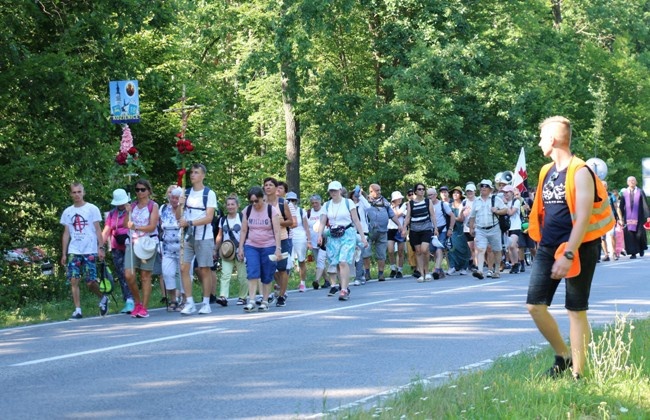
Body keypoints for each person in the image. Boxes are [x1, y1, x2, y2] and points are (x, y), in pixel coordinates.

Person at [527, 116, 615, 380]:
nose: (540, 142)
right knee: (535, 306)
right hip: (548, 246)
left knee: (576, 310)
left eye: (542, 137)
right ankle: (562, 356)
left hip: (580, 247)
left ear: (552, 139)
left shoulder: (581, 171)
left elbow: (584, 217)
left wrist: (568, 254)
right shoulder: (546, 171)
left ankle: (578, 374)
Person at [60, 182, 107, 320]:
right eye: (74, 192)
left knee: (90, 282)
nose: (77, 195)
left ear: (83, 192)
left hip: (90, 248)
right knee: (74, 279)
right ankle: (78, 310)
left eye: (79, 192)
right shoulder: (68, 212)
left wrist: (101, 247)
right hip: (74, 249)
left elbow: (98, 229)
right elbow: (66, 233)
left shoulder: (92, 209)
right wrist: (64, 253)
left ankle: (102, 297)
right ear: (70, 194)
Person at [177, 163, 217, 315]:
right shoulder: (186, 193)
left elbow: (209, 217)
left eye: (196, 172)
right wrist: (178, 206)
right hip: (188, 237)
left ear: (203, 175)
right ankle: (189, 301)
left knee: (204, 269)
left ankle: (206, 302)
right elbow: (179, 217)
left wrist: (190, 222)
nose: (192, 175)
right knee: (183, 268)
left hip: (204, 236)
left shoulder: (209, 194)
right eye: (191, 172)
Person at [317, 181, 368, 300]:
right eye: (331, 191)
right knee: (337, 264)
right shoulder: (327, 205)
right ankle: (343, 285)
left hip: (347, 234)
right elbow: (323, 221)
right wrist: (320, 235)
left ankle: (344, 290)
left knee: (343, 261)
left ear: (340, 190)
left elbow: (356, 220)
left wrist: (362, 237)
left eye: (335, 190)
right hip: (333, 235)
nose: (333, 193)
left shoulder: (348, 202)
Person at [238, 186, 282, 312]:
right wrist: (240, 248)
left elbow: (277, 231)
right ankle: (251, 300)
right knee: (252, 271)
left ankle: (265, 300)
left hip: (268, 245)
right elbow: (244, 230)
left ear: (262, 198)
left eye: (256, 201)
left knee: (267, 274)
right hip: (251, 245)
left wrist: (278, 248)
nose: (254, 204)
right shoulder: (247, 211)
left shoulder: (271, 210)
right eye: (252, 201)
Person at [124, 179, 160, 318]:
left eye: (142, 189)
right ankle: (137, 302)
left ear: (149, 191)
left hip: (147, 243)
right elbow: (124, 224)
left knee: (145, 276)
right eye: (137, 190)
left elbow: (152, 226)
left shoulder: (153, 206)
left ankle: (144, 307)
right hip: (132, 242)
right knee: (129, 274)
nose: (140, 192)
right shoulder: (132, 206)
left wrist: (136, 227)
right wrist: (127, 213)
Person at [358, 183, 406, 281]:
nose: (379, 192)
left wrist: (399, 225)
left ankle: (381, 274)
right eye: (377, 190)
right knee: (366, 253)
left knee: (382, 254)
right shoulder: (364, 201)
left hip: (383, 231)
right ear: (371, 191)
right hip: (369, 232)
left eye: (380, 190)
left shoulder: (385, 201)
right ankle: (367, 273)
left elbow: (392, 215)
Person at [263, 177, 295, 307]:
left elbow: (291, 222)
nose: (268, 187)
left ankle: (281, 296)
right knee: (269, 268)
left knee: (282, 268)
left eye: (271, 185)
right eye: (266, 185)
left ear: (276, 188)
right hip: (266, 240)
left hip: (282, 239)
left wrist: (277, 222)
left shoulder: (282, 203)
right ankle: (274, 292)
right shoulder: (262, 203)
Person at [102, 188, 135, 314]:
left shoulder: (132, 210)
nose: (120, 205)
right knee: (121, 274)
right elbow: (107, 230)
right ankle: (128, 300)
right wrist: (100, 245)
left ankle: (133, 299)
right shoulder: (112, 214)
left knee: (129, 273)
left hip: (130, 244)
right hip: (116, 246)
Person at [468, 179, 507, 279]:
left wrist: (497, 211)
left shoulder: (496, 199)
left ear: (490, 189)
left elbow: (505, 210)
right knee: (480, 249)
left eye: (486, 186)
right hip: (480, 229)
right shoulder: (476, 201)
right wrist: (471, 228)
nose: (483, 188)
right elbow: (472, 216)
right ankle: (480, 271)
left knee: (497, 250)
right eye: (482, 186)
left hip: (494, 228)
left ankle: (497, 270)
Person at [215, 194, 248, 306]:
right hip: (227, 251)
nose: (230, 207)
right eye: (228, 204)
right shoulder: (222, 219)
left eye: (232, 204)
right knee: (225, 275)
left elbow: (246, 233)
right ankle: (223, 296)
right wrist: (215, 250)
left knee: (242, 276)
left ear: (237, 206)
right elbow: (219, 236)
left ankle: (243, 297)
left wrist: (243, 248)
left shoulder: (242, 217)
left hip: (240, 250)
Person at [404, 183, 437, 282]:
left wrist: (436, 228)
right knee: (418, 251)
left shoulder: (428, 202)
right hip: (414, 230)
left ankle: (427, 271)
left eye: (423, 189)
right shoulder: (411, 203)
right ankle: (421, 274)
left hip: (426, 228)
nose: (422, 191)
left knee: (424, 249)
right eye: (419, 189)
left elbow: (432, 215)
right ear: (415, 191)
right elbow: (408, 216)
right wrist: (403, 227)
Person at [159, 185, 183, 311]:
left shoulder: (186, 209)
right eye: (173, 197)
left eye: (177, 198)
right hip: (167, 248)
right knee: (168, 273)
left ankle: (184, 300)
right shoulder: (163, 209)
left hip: (183, 247)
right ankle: (173, 299)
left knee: (185, 273)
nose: (174, 200)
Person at [286, 191, 312, 292]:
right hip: (288, 237)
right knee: (286, 261)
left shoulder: (301, 211)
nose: (291, 202)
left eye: (293, 200)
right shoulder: (284, 211)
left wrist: (309, 240)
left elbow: (306, 227)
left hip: (300, 237)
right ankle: (283, 284)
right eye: (289, 200)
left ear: (296, 201)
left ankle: (302, 283)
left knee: (301, 260)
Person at [427, 187, 455, 279]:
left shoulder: (443, 204)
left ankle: (436, 269)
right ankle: (440, 271)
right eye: (428, 195)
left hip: (442, 230)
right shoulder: (426, 205)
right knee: (434, 251)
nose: (429, 197)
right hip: (430, 231)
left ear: (435, 195)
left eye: (431, 195)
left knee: (439, 249)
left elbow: (452, 216)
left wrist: (450, 229)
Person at [618, 176, 650, 259]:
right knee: (630, 235)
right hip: (628, 218)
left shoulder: (640, 192)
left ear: (636, 182)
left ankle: (641, 248)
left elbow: (645, 204)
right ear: (627, 183)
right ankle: (633, 253)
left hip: (639, 217)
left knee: (639, 234)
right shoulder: (624, 193)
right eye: (630, 181)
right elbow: (621, 206)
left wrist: (648, 216)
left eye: (633, 180)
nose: (632, 182)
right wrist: (619, 218)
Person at [446, 186, 470, 275]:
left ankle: (463, 267)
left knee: (462, 248)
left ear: (460, 195)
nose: (455, 194)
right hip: (452, 229)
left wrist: (453, 217)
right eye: (454, 193)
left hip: (461, 229)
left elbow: (461, 219)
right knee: (451, 248)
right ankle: (452, 266)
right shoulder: (449, 205)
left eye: (457, 193)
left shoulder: (463, 204)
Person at [306, 194, 327, 288]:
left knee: (321, 260)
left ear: (320, 202)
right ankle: (327, 281)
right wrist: (308, 240)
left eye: (316, 202)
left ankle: (317, 280)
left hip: (324, 240)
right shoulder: (309, 213)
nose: (314, 204)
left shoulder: (324, 210)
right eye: (313, 203)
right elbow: (306, 227)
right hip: (313, 241)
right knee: (319, 262)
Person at [501, 185, 523, 273]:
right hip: (506, 227)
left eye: (507, 192)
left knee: (513, 245)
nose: (505, 194)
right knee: (509, 247)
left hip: (515, 226)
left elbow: (511, 213)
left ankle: (517, 263)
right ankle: (514, 264)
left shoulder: (516, 202)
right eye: (504, 192)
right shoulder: (502, 202)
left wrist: (505, 204)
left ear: (511, 193)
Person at [387, 191, 407, 278]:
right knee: (390, 250)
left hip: (400, 229)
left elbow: (397, 215)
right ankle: (393, 268)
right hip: (390, 229)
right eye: (398, 198)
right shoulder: (388, 206)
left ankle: (400, 269)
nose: (400, 200)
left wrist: (394, 208)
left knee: (400, 251)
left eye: (400, 198)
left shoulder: (404, 206)